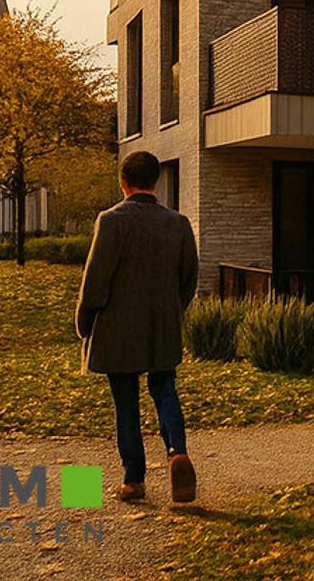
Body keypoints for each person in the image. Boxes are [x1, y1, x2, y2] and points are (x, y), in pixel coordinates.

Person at [75, 151, 198, 504]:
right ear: (155, 181)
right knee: (165, 389)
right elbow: (188, 278)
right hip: (162, 324)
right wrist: (173, 310)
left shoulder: (111, 221)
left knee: (125, 400)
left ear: (123, 182)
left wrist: (85, 322)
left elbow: (96, 280)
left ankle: (133, 479)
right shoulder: (178, 223)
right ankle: (177, 452)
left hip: (118, 326)